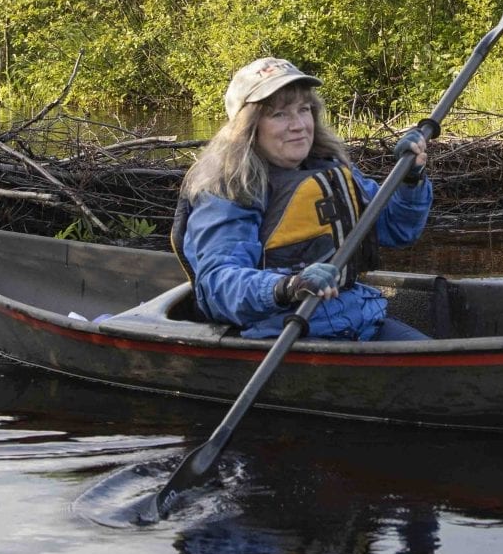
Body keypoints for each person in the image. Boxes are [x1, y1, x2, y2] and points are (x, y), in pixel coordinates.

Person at [170, 57, 433, 341]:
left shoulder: (327, 167)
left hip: (359, 319)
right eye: (279, 114)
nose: (298, 125)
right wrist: (286, 286)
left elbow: (398, 230)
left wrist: (410, 180)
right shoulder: (229, 189)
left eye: (304, 110)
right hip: (281, 333)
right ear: (248, 127)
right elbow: (218, 285)